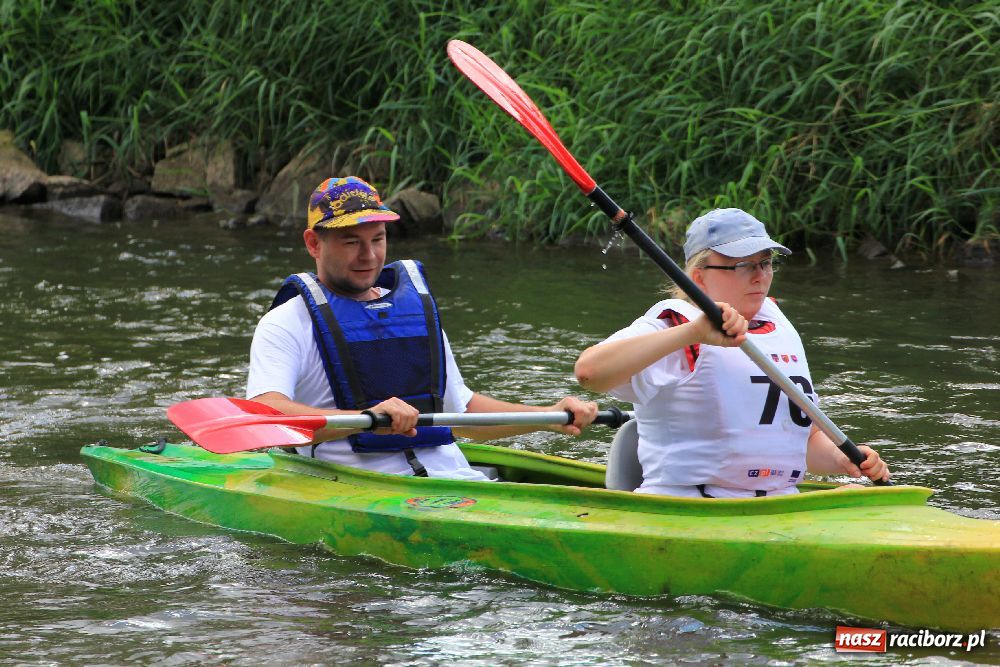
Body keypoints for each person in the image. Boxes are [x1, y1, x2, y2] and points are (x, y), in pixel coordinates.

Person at [246, 176, 597, 480]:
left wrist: (548, 416)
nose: (369, 256)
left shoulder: (413, 313)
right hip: (363, 488)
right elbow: (265, 414)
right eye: (352, 242)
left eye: (377, 239)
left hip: (457, 481)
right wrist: (365, 418)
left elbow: (461, 413)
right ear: (313, 243)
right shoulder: (286, 323)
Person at [574, 208, 889, 498]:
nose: (760, 276)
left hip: (779, 504)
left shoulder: (778, 324)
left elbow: (800, 441)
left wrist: (840, 459)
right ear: (699, 277)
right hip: (690, 507)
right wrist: (693, 334)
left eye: (765, 263)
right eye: (743, 265)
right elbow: (589, 372)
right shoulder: (675, 326)